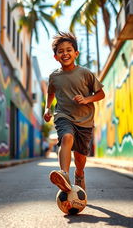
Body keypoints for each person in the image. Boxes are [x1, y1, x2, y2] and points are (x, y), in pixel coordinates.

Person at [43, 32, 105, 192]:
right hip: (63, 115)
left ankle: (79, 174)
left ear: (76, 53)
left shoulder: (85, 73)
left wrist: (86, 99)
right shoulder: (54, 77)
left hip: (85, 120)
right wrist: (47, 108)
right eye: (61, 51)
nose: (65, 53)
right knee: (66, 136)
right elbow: (50, 93)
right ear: (55, 56)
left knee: (80, 157)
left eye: (69, 50)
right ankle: (64, 174)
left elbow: (101, 94)